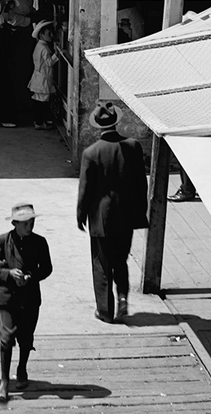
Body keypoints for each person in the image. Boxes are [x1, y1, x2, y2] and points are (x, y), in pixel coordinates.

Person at [76, 100, 148, 323]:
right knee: (120, 260)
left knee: (102, 264)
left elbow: (85, 190)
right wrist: (140, 210)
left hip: (101, 219)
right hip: (126, 216)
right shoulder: (133, 146)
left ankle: (106, 311)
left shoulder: (91, 153)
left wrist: (80, 216)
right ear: (116, 123)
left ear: (97, 126)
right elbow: (141, 183)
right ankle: (123, 298)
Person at [0, 202, 52, 403]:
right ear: (15, 223)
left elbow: (47, 268)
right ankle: (4, 381)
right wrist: (7, 273)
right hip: (7, 297)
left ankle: (22, 367)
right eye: (25, 223)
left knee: (26, 338)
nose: (29, 225)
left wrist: (30, 276)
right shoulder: (2, 241)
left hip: (30, 298)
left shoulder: (40, 242)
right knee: (6, 339)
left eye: (31, 221)